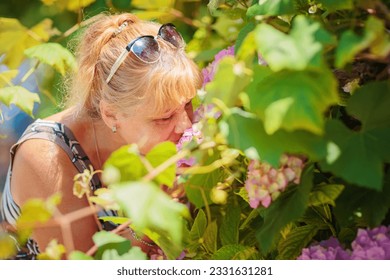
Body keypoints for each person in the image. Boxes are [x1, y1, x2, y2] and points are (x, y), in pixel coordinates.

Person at [0, 12, 203, 259]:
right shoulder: (46, 157)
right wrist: (160, 203)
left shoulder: (159, 137)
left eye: (189, 103)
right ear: (110, 115)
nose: (186, 124)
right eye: (164, 117)